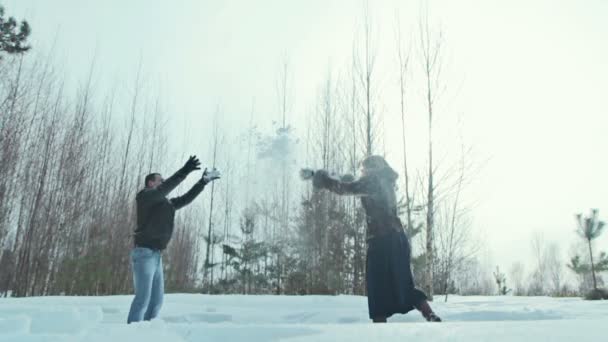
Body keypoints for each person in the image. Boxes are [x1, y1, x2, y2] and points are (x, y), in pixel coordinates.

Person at [301, 155, 441, 323]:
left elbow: (345, 189)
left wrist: (321, 178)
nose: (363, 172)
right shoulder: (385, 181)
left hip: (381, 240)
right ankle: (429, 314)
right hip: (398, 239)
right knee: (404, 284)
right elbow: (356, 187)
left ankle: (379, 331)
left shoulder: (374, 180)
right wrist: (344, 179)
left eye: (364, 169)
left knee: (377, 287)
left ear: (372, 168)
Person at [127, 156, 220, 324]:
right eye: (160, 180)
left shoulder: (166, 203)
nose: (163, 182)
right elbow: (164, 189)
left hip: (156, 256)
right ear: (150, 184)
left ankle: (146, 334)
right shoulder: (145, 197)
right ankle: (130, 335)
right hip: (143, 253)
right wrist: (184, 171)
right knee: (143, 299)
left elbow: (185, 199)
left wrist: (203, 182)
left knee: (156, 302)